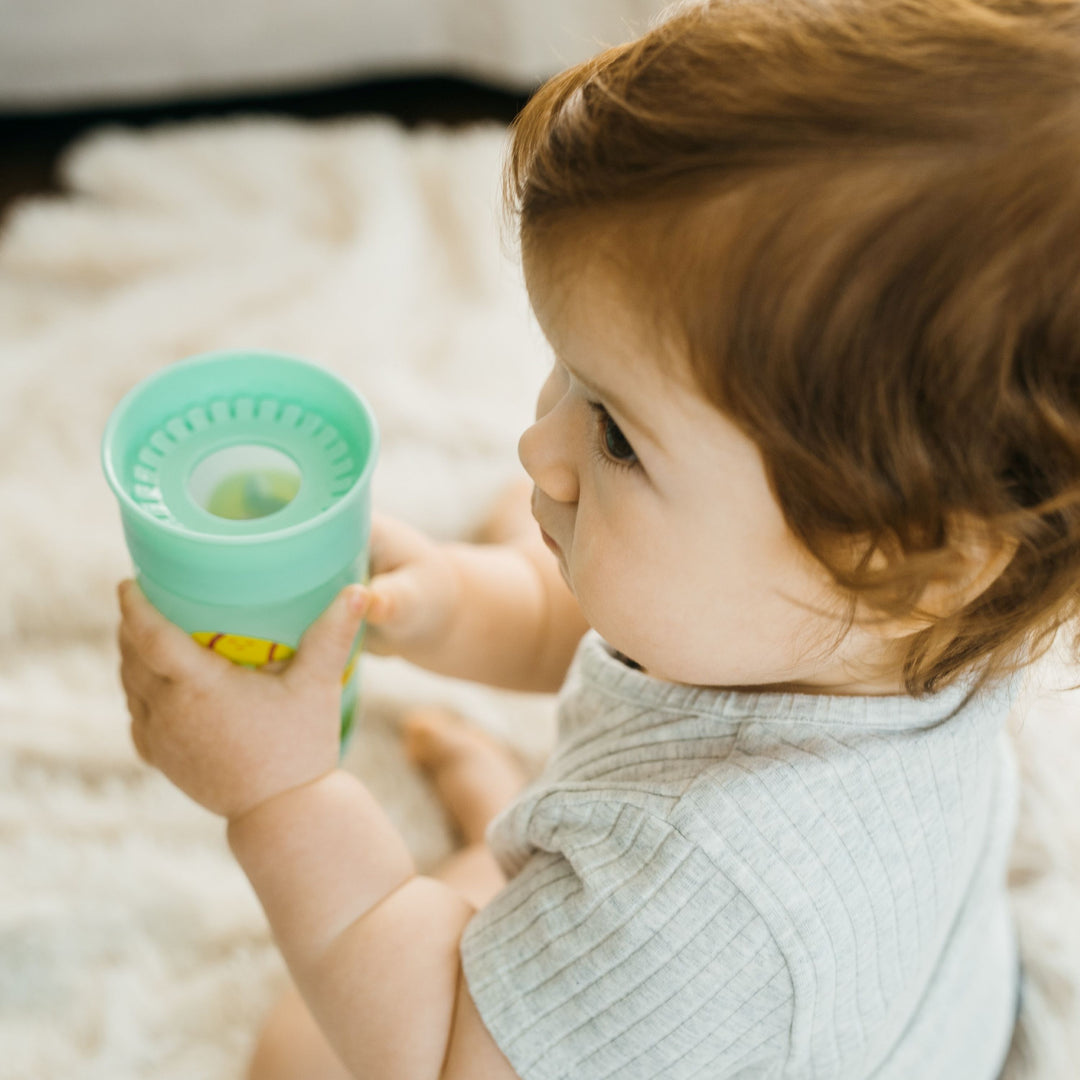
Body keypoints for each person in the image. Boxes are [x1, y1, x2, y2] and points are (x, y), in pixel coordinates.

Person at [115, 0, 1080, 1076]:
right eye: (567, 375)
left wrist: (279, 791)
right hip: (912, 1013)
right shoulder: (878, 627)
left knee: (299, 1051)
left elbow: (434, 1054)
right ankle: (541, 914)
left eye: (615, 430)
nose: (537, 445)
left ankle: (530, 915)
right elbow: (613, 633)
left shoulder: (704, 895)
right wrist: (451, 598)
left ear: (901, 554)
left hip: (714, 994)